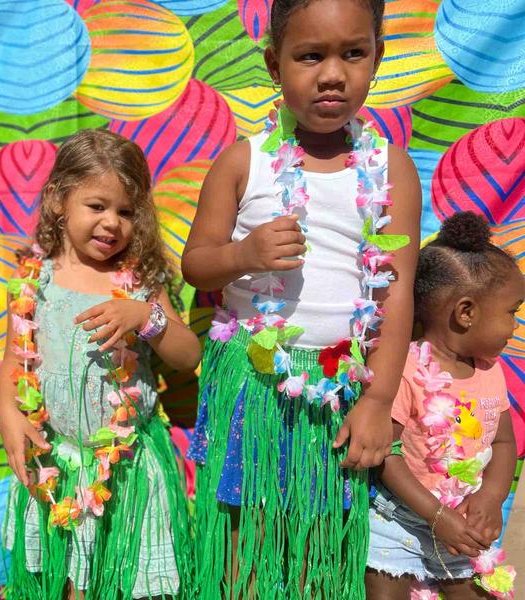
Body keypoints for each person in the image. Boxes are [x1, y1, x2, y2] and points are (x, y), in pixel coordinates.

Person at [181, 0, 422, 597]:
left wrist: (380, 400)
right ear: (274, 64)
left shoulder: (391, 169)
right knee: (247, 546)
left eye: (353, 53)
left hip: (340, 389)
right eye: (310, 56)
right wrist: (243, 255)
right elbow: (196, 262)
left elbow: (398, 295)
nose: (333, 73)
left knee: (318, 550)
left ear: (378, 58)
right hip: (256, 381)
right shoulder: (245, 162)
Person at [0, 129, 200, 599]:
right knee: (67, 584)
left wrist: (146, 318)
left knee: (124, 584)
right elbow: (14, 363)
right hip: (57, 461)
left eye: (126, 212)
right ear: (57, 201)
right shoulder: (35, 280)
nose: (112, 223)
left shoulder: (140, 281)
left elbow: (189, 356)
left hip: (126, 470)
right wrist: (9, 416)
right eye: (97, 206)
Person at [365, 212, 521, 599]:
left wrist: (490, 496)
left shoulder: (490, 371)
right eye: (512, 312)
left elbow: (504, 444)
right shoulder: (406, 367)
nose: (515, 326)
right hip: (397, 524)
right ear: (465, 312)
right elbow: (388, 454)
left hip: (460, 526)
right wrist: (437, 517)